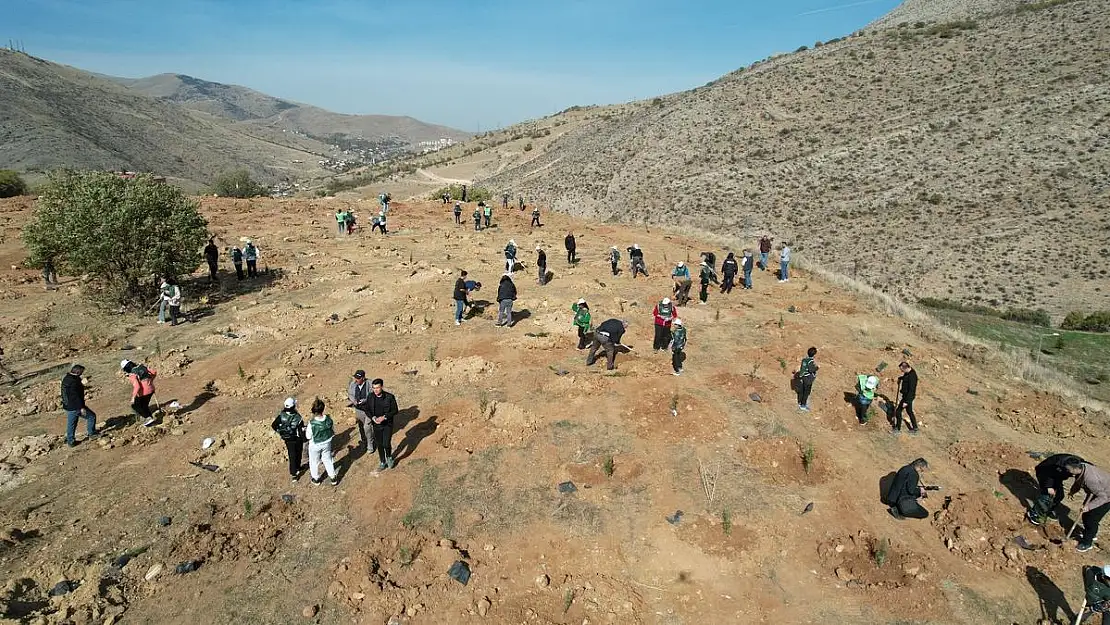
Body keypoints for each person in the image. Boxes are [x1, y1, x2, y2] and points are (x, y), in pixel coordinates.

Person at [1026, 454, 1085, 526]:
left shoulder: (1079, 464)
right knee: (1047, 495)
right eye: (1070, 472)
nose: (1073, 475)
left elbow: (1088, 467)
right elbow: (1049, 474)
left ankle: (1047, 510)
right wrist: (1048, 487)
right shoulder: (1056, 465)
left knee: (1060, 495)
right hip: (1044, 473)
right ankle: (1035, 513)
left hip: (1057, 477)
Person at [1069, 462, 1110, 552]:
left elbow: (1103, 497)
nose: (1068, 472)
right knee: (1086, 515)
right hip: (1098, 491)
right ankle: (1091, 533)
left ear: (1076, 469)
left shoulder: (1090, 480)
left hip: (1106, 497)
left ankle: (1087, 543)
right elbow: (1078, 481)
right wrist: (1073, 491)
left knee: (1092, 519)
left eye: (1069, 470)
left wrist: (1089, 507)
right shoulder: (1082, 468)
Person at [60, 364, 97, 447]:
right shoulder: (74, 382)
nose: (82, 374)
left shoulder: (67, 378)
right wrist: (81, 408)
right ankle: (92, 434)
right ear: (78, 372)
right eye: (81, 372)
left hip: (68, 406)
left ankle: (71, 441)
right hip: (75, 406)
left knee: (72, 424)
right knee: (91, 417)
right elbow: (75, 396)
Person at [366, 378, 398, 470]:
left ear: (382, 387)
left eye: (377, 388)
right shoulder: (370, 396)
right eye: (373, 388)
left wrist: (384, 417)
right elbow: (367, 409)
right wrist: (373, 418)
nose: (375, 390)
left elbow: (395, 410)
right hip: (376, 425)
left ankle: (389, 457)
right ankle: (382, 461)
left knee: (386, 443)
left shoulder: (389, 397)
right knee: (379, 444)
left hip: (387, 424)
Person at [305, 398, 338, 486]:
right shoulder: (328, 419)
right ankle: (333, 477)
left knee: (314, 462)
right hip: (327, 443)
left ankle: (316, 479)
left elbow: (308, 436)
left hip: (315, 445)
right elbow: (332, 430)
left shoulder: (311, 423)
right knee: (327, 459)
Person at [271, 397, 305, 482]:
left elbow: (274, 425)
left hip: (287, 439)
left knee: (291, 455)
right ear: (293, 406)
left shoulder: (281, 416)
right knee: (298, 453)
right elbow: (301, 430)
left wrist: (281, 432)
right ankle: (297, 468)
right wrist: (304, 439)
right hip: (296, 439)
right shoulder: (298, 418)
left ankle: (294, 473)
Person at [121, 359, 158, 427]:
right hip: (151, 389)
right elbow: (154, 372)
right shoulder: (142, 367)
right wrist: (150, 380)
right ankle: (150, 420)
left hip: (143, 392)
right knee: (144, 405)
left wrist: (133, 397)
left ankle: (148, 418)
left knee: (135, 405)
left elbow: (137, 387)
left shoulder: (132, 374)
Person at [348, 370, 374, 453]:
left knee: (367, 427)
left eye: (358, 378)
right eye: (355, 377)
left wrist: (365, 400)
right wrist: (354, 401)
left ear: (363, 378)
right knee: (361, 427)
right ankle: (364, 441)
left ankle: (370, 445)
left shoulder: (370, 383)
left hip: (368, 410)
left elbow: (373, 394)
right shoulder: (353, 384)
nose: (356, 380)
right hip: (358, 410)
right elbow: (350, 394)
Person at [894, 362, 919, 433]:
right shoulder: (908, 373)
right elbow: (905, 377)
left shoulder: (912, 377)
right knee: (909, 411)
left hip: (908, 398)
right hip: (906, 397)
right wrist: (900, 378)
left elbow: (911, 390)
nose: (901, 371)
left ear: (906, 368)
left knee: (898, 411)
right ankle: (915, 428)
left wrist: (906, 402)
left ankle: (897, 428)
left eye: (902, 370)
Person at [796, 347, 819, 411]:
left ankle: (801, 401)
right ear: (814, 355)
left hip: (804, 377)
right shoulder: (810, 361)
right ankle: (803, 405)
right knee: (806, 391)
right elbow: (811, 370)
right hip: (808, 378)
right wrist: (817, 367)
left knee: (803, 390)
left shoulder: (805, 359)